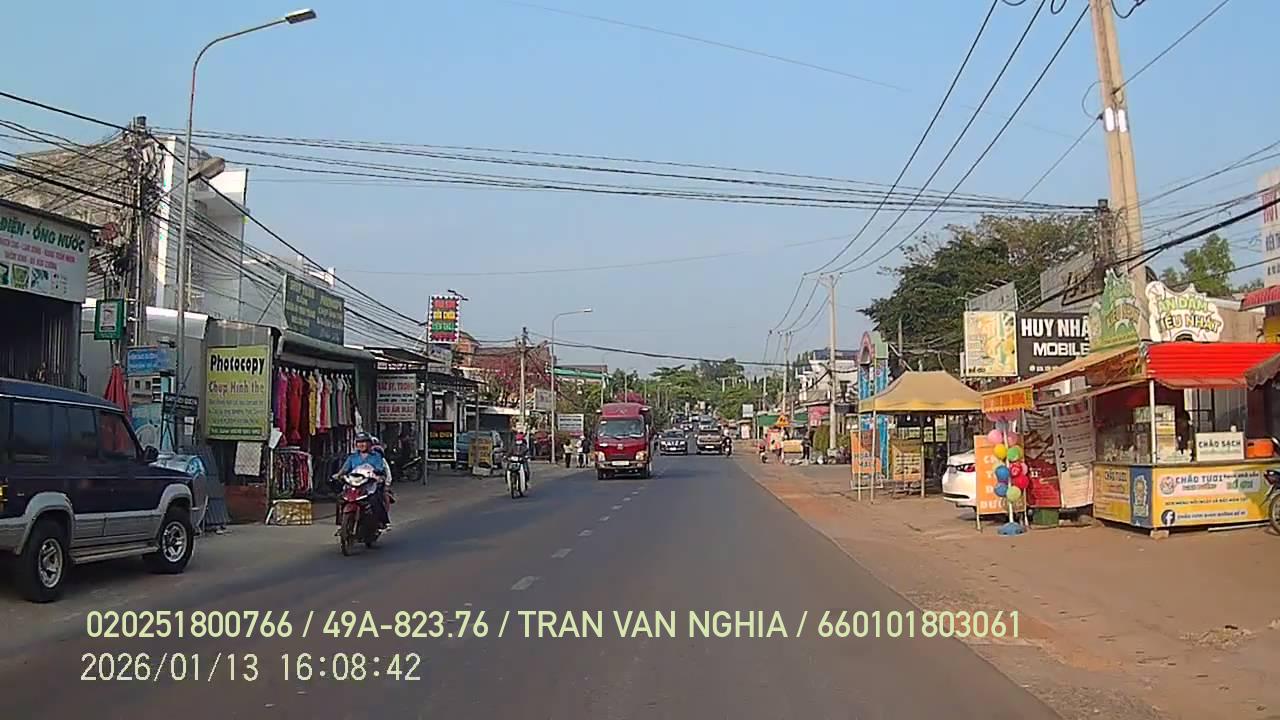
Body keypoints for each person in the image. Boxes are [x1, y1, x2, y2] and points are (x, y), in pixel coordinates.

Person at [337, 432, 391, 530]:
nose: (361, 445)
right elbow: (344, 469)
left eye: (364, 442)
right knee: (340, 498)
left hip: (369, 484)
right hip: (354, 483)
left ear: (369, 443)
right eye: (359, 442)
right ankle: (340, 523)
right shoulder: (352, 457)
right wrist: (338, 475)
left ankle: (383, 522)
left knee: (375, 500)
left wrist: (378, 477)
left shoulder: (376, 456)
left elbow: (380, 469)